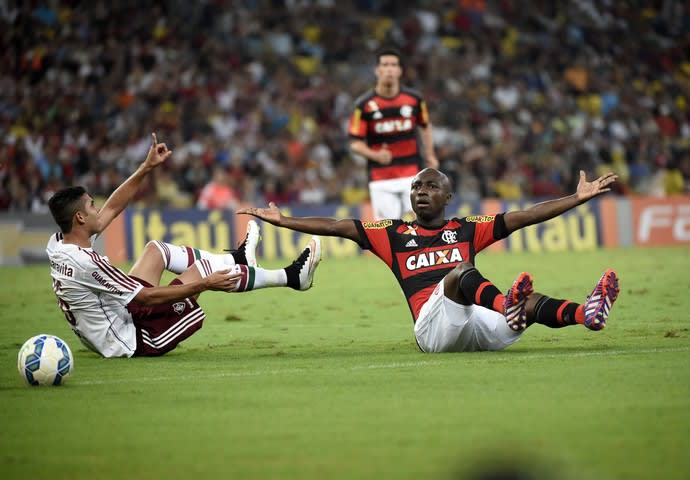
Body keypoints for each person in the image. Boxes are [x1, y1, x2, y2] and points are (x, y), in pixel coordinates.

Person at [238, 167, 620, 353]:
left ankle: (584, 314)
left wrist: (576, 198)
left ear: (447, 197)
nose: (421, 192)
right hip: (432, 332)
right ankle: (508, 307)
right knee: (461, 275)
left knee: (531, 302)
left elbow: (523, 216)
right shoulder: (392, 234)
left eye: (431, 186)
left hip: (474, 326)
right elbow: (339, 226)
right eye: (416, 187)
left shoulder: (468, 227)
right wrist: (285, 221)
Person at [46, 133, 321, 358]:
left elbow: (113, 208)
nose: (99, 210)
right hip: (135, 338)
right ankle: (291, 277)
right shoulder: (86, 262)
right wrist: (204, 284)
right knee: (203, 270)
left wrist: (146, 168)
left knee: (156, 249)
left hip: (112, 323)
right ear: (80, 217)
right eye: (92, 205)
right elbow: (145, 298)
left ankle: (238, 258)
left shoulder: (60, 243)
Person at [348, 47, 439, 220]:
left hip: (412, 174)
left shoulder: (414, 100)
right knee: (388, 233)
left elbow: (425, 126)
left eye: (393, 65)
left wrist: (430, 154)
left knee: (423, 223)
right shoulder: (363, 105)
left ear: (399, 71)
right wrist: (375, 155)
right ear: (377, 70)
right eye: (385, 64)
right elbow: (355, 143)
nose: (389, 69)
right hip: (381, 178)